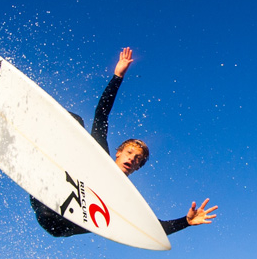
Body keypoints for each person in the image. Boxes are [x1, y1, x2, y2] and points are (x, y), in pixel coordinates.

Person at [30, 47, 217, 238]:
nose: (132, 159)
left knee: (78, 216)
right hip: (49, 193)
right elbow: (101, 114)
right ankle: (31, 122)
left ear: (137, 168)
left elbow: (153, 228)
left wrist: (185, 221)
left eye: (137, 159)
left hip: (62, 223)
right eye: (129, 153)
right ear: (118, 153)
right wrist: (117, 76)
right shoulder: (100, 155)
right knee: (76, 122)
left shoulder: (125, 197)